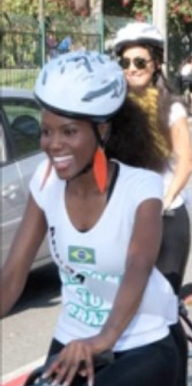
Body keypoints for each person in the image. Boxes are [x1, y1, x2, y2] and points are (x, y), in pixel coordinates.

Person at [0, 51, 179, 386]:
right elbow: (12, 276)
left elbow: (138, 265)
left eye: (69, 132)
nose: (53, 144)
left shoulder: (141, 187)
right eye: (46, 131)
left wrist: (103, 340)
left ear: (102, 131)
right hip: (72, 343)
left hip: (139, 342)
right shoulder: (45, 180)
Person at [113, 21, 192, 385]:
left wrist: (161, 200)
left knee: (163, 309)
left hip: (167, 215)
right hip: (126, 217)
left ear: (156, 64)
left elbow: (187, 162)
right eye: (125, 62)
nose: (131, 69)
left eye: (139, 62)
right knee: (123, 304)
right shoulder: (111, 108)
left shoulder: (171, 108)